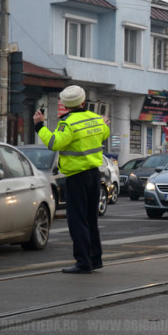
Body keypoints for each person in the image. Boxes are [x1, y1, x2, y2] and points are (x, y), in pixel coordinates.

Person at [33, 85, 110, 274]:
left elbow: (54, 143)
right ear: (83, 102)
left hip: (76, 177)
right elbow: (104, 134)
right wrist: (104, 125)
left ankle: (83, 262)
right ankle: (95, 259)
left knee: (77, 220)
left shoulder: (67, 123)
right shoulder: (95, 119)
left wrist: (39, 126)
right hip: (94, 174)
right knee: (91, 220)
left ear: (65, 105)